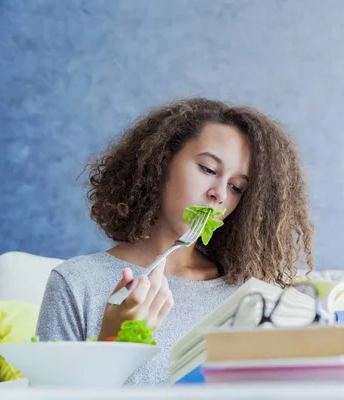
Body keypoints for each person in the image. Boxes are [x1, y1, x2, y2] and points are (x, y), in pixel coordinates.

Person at [36, 98, 314, 385]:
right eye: (208, 169)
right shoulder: (76, 283)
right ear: (161, 162)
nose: (219, 194)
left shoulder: (252, 295)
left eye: (236, 188)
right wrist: (111, 343)